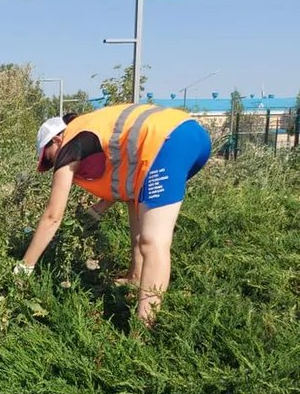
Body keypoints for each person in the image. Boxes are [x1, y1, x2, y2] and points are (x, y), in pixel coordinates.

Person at [16, 103, 211, 323]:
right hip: (190, 136)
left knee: (152, 241)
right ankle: (136, 277)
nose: (53, 164)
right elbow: (124, 187)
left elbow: (52, 216)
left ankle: (143, 331)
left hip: (171, 141)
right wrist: (97, 209)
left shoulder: (71, 144)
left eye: (49, 157)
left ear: (57, 140)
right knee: (137, 205)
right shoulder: (93, 130)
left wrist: (25, 267)